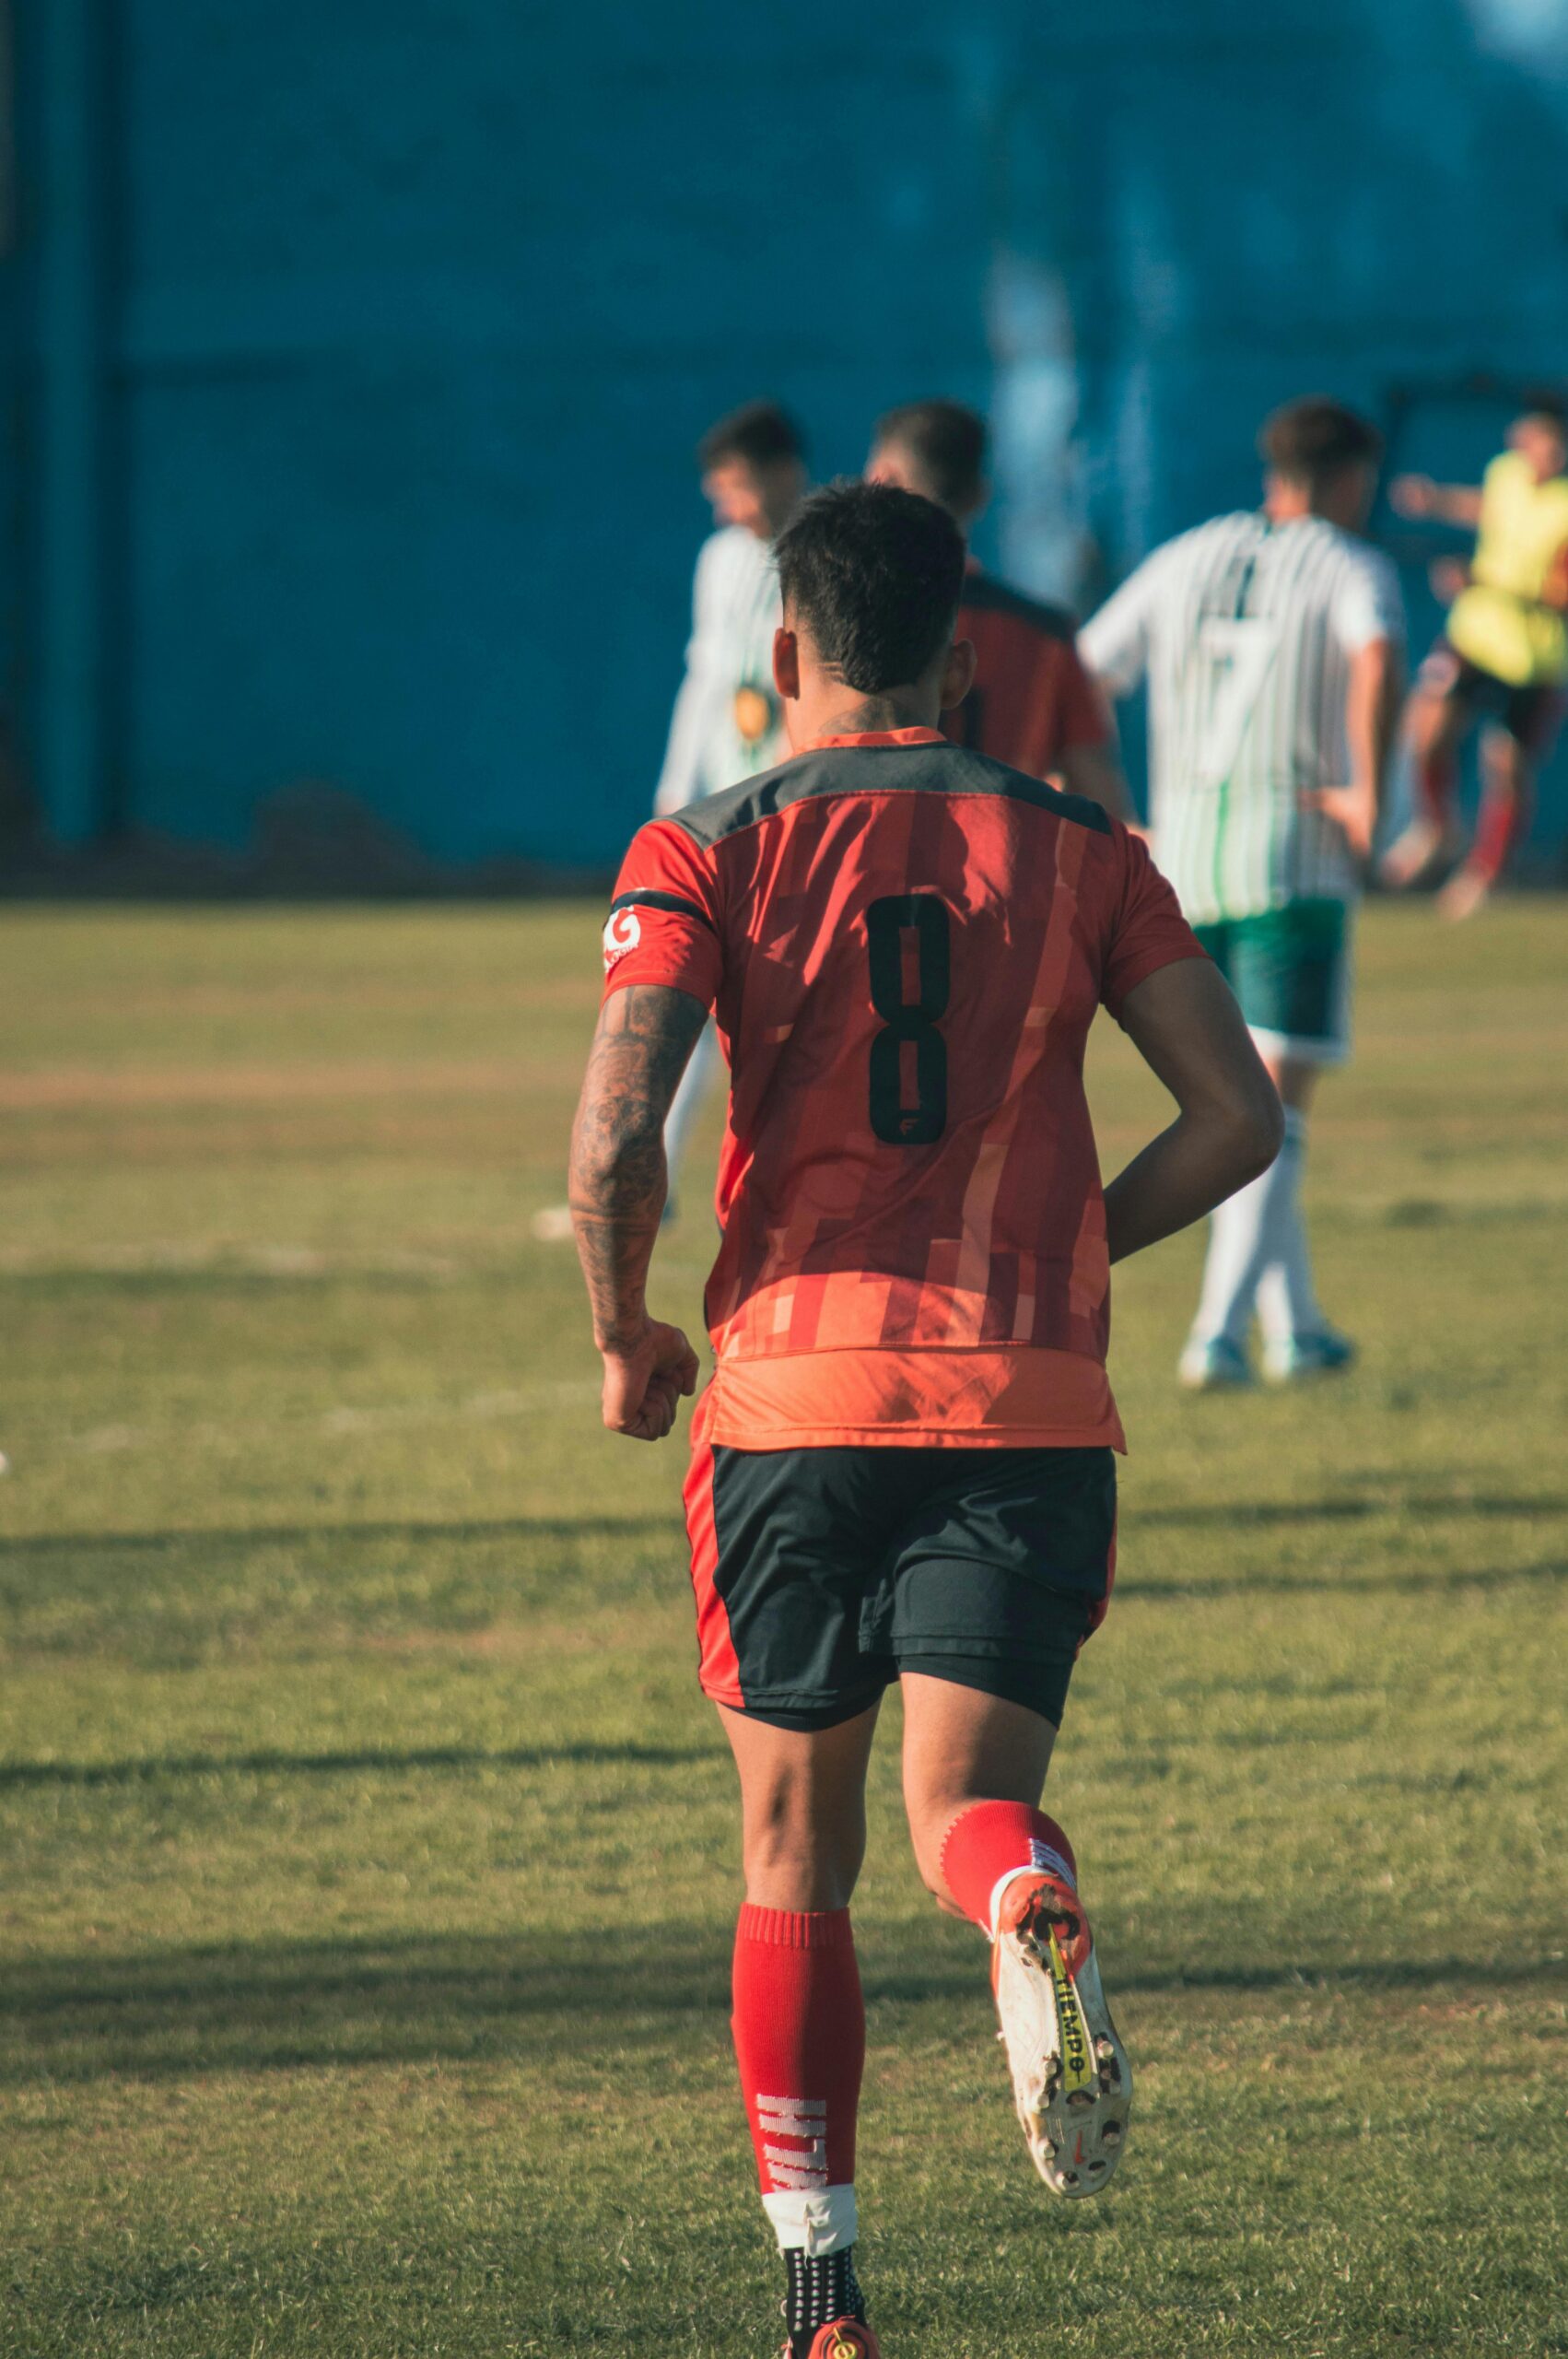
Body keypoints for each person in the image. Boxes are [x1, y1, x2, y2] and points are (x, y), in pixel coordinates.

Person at [567, 480, 1281, 2357]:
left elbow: (611, 1132)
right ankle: (1025, 1898)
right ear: (961, 659)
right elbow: (1234, 1116)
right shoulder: (1081, 842)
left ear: (781, 652)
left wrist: (628, 1331)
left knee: (790, 1847)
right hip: (1020, 1396)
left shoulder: (701, 842)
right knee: (968, 1802)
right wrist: (1070, 1244)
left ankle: (820, 2290)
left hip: (793, 1398)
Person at [1082, 396, 1404, 1391]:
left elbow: (1081, 670)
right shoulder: (1352, 567)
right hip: (1291, 860)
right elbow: (1380, 654)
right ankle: (1215, 1335)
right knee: (1268, 1108)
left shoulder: (1185, 556)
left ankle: (1295, 1328)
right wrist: (1364, 792)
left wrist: (1112, 810)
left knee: (1237, 1101)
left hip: (1182, 866)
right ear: (1349, 477)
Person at [533, 400, 806, 1241]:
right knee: (682, 992)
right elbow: (704, 677)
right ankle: (651, 1177)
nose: (727, 507)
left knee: (781, 1008)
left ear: (783, 471)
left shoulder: (827, 555)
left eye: (737, 486)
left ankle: (786, 1186)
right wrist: (674, 791)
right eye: (718, 491)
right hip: (721, 820)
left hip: (799, 819)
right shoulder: (722, 559)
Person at [866, 399, 1130, 815]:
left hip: (873, 870)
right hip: (1004, 870)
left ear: (883, 480)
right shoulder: (1046, 636)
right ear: (979, 497)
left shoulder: (840, 623)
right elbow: (1107, 809)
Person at [1381, 390, 1568, 918]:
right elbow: (1491, 509)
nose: (1546, 453)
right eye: (1538, 441)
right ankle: (1437, 828)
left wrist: (1483, 582)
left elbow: (1560, 594)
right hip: (1476, 637)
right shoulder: (1505, 473)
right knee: (1427, 728)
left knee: (1505, 765)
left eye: (1556, 445)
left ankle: (1486, 871)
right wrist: (1436, 500)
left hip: (1534, 658)